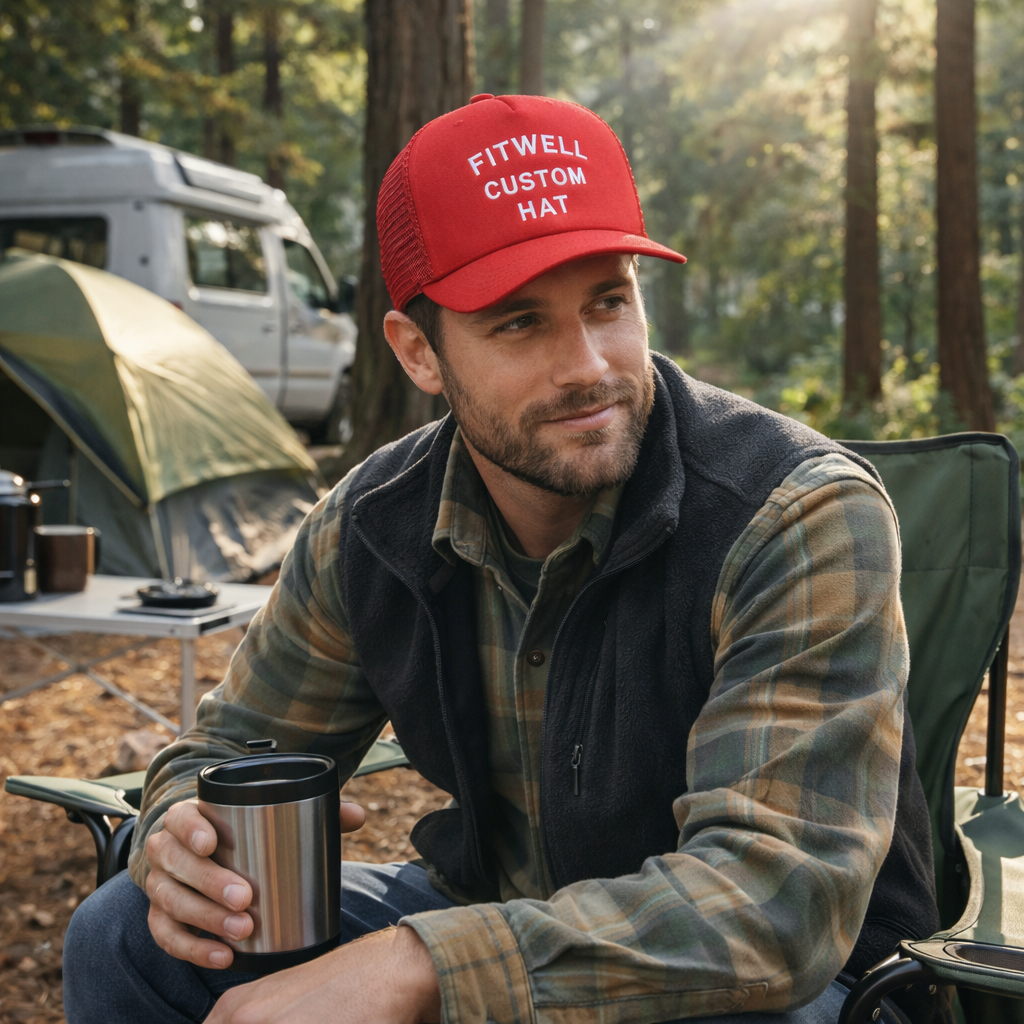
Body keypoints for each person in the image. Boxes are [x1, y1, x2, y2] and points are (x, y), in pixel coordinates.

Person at [64, 94, 943, 1024]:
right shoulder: (370, 526)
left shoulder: (794, 516)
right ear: (418, 353)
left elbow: (777, 906)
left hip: (792, 984)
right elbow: (231, 750)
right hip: (498, 917)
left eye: (609, 301)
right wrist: (178, 837)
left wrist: (418, 967)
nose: (591, 365)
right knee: (120, 934)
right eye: (520, 323)